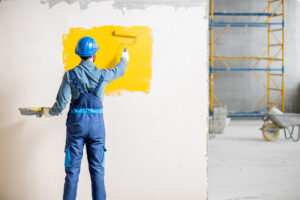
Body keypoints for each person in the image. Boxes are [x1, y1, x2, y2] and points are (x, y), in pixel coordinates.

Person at [42, 36, 129, 200]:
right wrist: (124, 58)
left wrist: (49, 112)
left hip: (76, 127)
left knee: (72, 172)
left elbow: (60, 105)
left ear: (78, 54)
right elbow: (120, 70)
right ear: (94, 55)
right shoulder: (104, 75)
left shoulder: (70, 75)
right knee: (97, 171)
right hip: (97, 128)